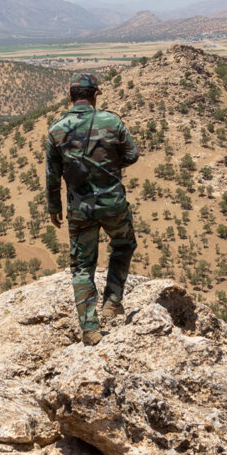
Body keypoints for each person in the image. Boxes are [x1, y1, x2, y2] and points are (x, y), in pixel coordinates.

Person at [45, 72, 140, 345]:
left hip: (79, 209)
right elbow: (132, 155)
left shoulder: (56, 129)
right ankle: (112, 300)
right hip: (113, 204)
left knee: (82, 267)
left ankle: (90, 329)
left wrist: (54, 207)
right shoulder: (112, 121)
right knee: (123, 245)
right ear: (95, 95)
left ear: (70, 96)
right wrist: (108, 166)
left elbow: (53, 175)